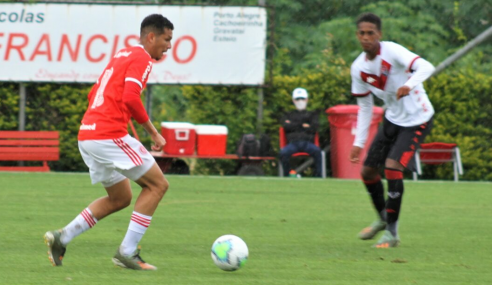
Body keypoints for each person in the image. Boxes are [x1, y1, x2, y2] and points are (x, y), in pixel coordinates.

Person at [44, 14, 174, 270]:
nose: (168, 46)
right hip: (107, 135)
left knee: (120, 198)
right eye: (167, 39)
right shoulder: (142, 59)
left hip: (88, 134)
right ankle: (127, 253)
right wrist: (153, 133)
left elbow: (95, 93)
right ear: (151, 37)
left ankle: (63, 236)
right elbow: (130, 98)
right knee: (158, 185)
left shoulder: (122, 55)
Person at [349, 13, 435, 248]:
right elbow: (365, 106)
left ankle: (392, 234)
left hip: (418, 119)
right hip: (393, 119)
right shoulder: (358, 68)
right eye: (362, 33)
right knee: (367, 172)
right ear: (357, 35)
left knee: (393, 167)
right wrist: (359, 142)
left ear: (379, 35)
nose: (366, 38)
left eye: (371, 33)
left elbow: (426, 67)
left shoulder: (393, 51)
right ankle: (383, 219)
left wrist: (409, 84)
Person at [280, 88, 322, 177]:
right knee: (283, 153)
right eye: (298, 99)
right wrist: (303, 125)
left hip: (308, 143)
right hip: (293, 143)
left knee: (318, 152)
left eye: (302, 99)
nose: (300, 101)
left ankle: (318, 177)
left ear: (306, 100)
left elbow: (314, 128)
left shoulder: (312, 114)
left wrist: (293, 125)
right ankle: (286, 176)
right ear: (293, 100)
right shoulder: (288, 114)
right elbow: (286, 126)